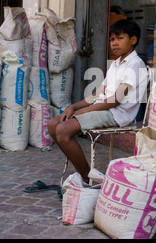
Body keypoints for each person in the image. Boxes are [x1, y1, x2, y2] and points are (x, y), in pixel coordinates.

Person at [48, 19, 148, 184]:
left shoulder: (135, 64)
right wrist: (73, 107)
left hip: (117, 114)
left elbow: (114, 101)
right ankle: (84, 172)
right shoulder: (116, 64)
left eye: (119, 38)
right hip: (103, 108)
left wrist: (82, 112)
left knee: (63, 130)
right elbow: (97, 94)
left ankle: (88, 178)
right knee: (53, 124)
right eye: (111, 39)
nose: (114, 43)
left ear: (133, 40)